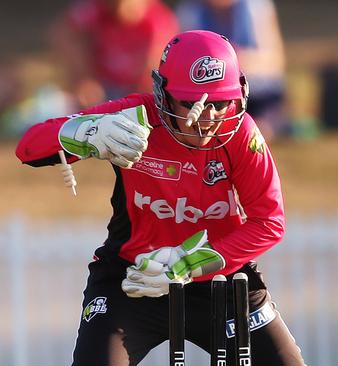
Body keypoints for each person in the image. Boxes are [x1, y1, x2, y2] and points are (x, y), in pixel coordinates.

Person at [16, 30, 304, 366]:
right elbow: (28, 148)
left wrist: (189, 263)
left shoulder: (241, 134)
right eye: (190, 103)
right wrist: (86, 132)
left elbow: (269, 222)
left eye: (218, 104)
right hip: (133, 280)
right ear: (162, 94)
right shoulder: (133, 118)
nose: (206, 119)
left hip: (218, 279)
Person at [176, 0, 289, 140]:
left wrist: (233, 62)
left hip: (260, 95)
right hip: (212, 99)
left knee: (253, 134)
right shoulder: (190, 11)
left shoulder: (257, 7)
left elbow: (275, 60)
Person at [50, 0, 179, 108]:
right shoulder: (96, 9)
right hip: (101, 87)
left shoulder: (159, 21)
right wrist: (85, 77)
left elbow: (152, 72)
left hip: (136, 93)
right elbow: (64, 35)